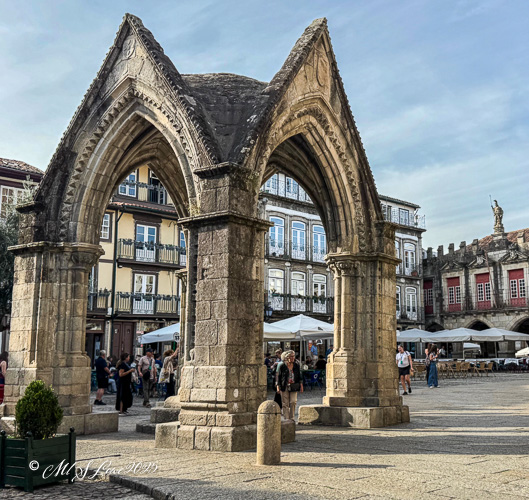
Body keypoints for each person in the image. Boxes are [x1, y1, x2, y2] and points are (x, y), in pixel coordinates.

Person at [276, 350, 303, 421]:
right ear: (286, 357)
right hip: (284, 385)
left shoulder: (296, 365)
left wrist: (301, 385)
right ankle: (286, 419)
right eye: (291, 356)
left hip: (294, 385)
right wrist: (278, 386)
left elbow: (299, 375)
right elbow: (279, 377)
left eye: (293, 356)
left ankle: (292, 418)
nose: (292, 358)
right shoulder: (282, 366)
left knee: (293, 401)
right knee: (285, 403)